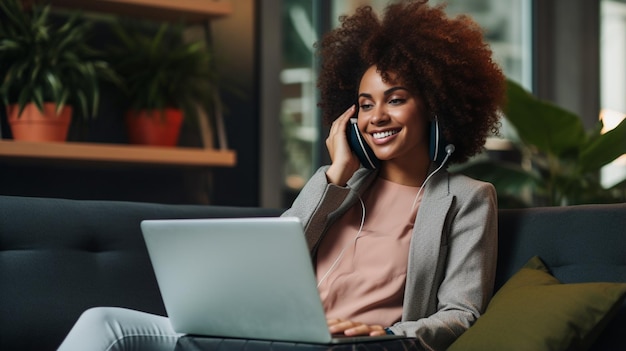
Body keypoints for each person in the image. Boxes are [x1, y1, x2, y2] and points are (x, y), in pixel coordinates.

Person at [57, 1, 505, 350]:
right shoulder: (338, 182)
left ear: (434, 104)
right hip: (261, 331)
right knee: (103, 323)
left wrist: (381, 332)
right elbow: (271, 258)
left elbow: (460, 313)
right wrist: (335, 175)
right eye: (365, 104)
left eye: (396, 98)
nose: (377, 116)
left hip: (348, 346)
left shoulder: (467, 198)